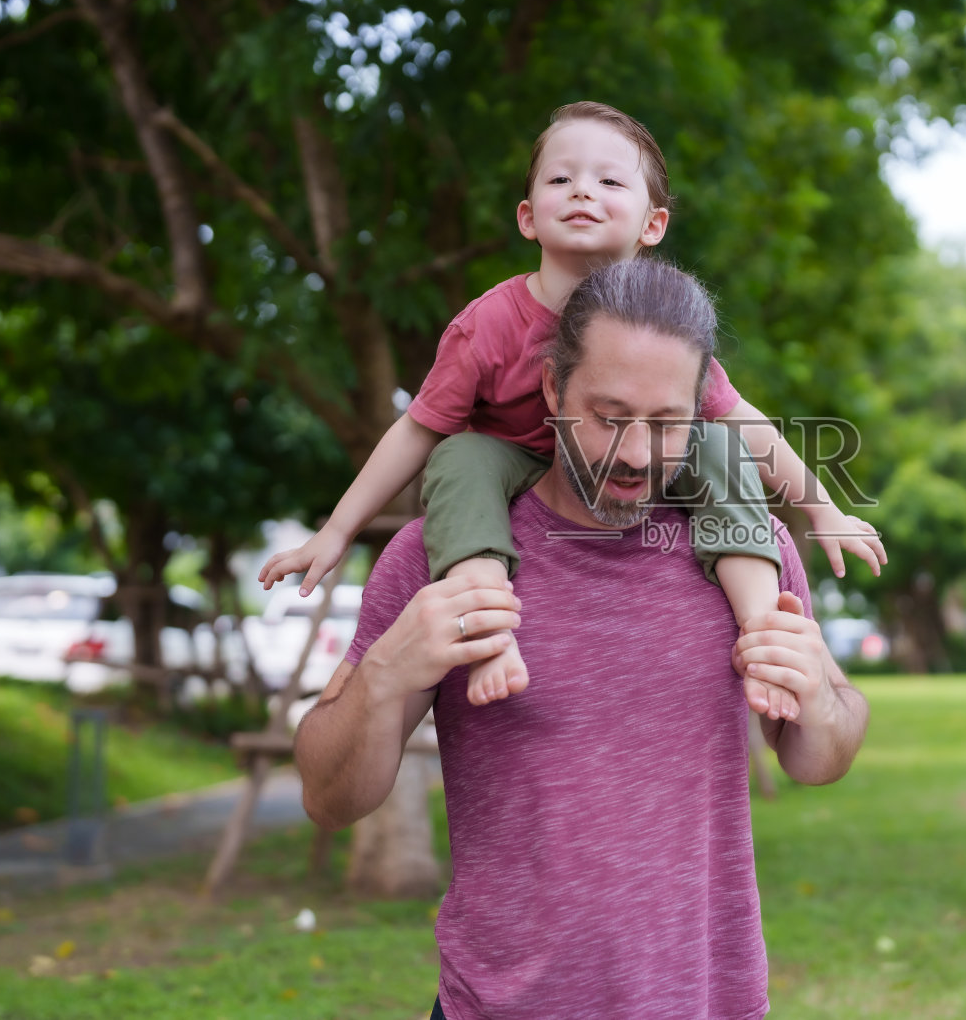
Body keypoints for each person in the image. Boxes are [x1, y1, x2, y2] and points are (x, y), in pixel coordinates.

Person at [295, 259, 870, 1019]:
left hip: (704, 1001)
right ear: (550, 390)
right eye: (608, 414)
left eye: (667, 424)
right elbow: (330, 797)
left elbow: (817, 756)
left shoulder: (749, 554)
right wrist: (384, 676)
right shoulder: (438, 557)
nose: (636, 453)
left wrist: (824, 698)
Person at [258, 101, 884, 719]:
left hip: (620, 473)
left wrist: (823, 507)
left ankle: (761, 629)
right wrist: (337, 530)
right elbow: (418, 428)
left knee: (718, 446)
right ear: (528, 217)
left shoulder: (657, 333)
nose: (582, 190)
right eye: (562, 179)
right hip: (515, 467)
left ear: (653, 224)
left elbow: (744, 419)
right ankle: (487, 631)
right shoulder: (487, 327)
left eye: (609, 181)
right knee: (459, 454)